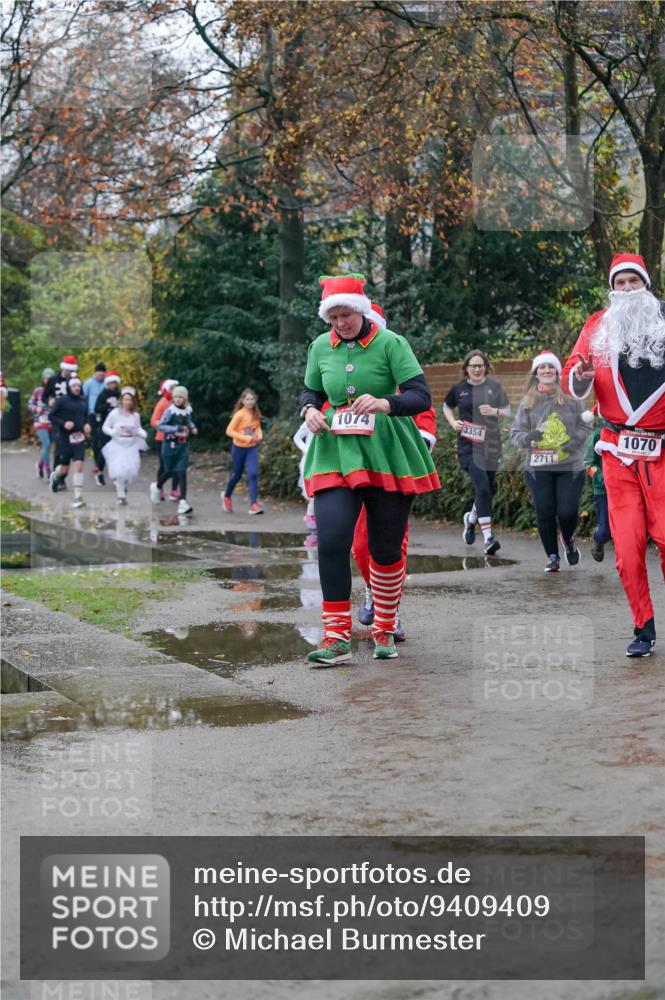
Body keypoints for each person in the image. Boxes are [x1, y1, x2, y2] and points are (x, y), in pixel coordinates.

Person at [299, 273, 440, 665]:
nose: (341, 323)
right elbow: (310, 390)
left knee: (385, 548)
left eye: (346, 315)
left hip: (386, 451)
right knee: (331, 540)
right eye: (334, 317)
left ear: (360, 311)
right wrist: (309, 409)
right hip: (335, 452)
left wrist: (384, 403)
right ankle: (336, 637)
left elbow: (420, 395)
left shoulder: (391, 343)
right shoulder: (318, 348)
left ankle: (384, 626)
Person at [561, 252, 665, 657]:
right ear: (611, 289)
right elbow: (575, 377)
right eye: (619, 284)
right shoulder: (596, 328)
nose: (626, 290)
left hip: (661, 451)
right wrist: (581, 377)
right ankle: (643, 628)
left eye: (633, 282)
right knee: (626, 549)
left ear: (646, 285)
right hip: (616, 453)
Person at [511, 351, 591, 572]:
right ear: (536, 373)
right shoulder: (528, 401)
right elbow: (515, 433)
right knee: (545, 511)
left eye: (551, 367)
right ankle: (552, 557)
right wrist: (529, 437)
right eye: (542, 367)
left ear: (557, 372)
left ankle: (568, 540)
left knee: (567, 512)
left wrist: (574, 442)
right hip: (538, 468)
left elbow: (585, 424)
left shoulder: (571, 397)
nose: (546, 371)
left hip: (569, 466)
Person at [442, 350, 511, 555]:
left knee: (486, 490)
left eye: (481, 365)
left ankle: (470, 520)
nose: (477, 369)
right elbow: (446, 406)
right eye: (473, 366)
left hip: (491, 445)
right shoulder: (459, 389)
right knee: (481, 487)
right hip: (468, 447)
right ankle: (489, 538)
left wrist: (495, 411)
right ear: (466, 369)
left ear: (486, 367)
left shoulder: (494, 387)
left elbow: (507, 410)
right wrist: (453, 422)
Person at [150, 385, 197, 515]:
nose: (178, 399)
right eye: (176, 396)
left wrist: (192, 428)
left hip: (183, 445)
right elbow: (160, 426)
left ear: (185, 398)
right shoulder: (169, 411)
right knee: (169, 471)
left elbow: (188, 421)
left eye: (181, 397)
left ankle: (183, 502)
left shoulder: (187, 410)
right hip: (169, 445)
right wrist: (175, 429)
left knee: (181, 472)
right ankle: (157, 486)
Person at [48, 376, 91, 507]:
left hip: (79, 439)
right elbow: (51, 416)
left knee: (78, 466)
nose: (77, 388)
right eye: (74, 386)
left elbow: (85, 416)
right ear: (69, 387)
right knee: (64, 469)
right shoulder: (62, 401)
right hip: (65, 438)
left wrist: (87, 424)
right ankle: (55, 476)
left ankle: (78, 497)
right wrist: (64, 423)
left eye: (78, 386)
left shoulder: (83, 401)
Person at [101, 387, 148, 504]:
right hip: (117, 446)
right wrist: (111, 432)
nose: (128, 402)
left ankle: (122, 486)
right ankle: (121, 496)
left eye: (130, 400)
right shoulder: (114, 414)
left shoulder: (135, 415)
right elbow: (105, 427)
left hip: (131, 446)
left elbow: (137, 428)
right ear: (121, 400)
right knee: (119, 471)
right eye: (126, 399)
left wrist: (142, 432)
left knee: (129, 471)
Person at [222, 388, 264, 515]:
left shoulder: (255, 413)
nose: (250, 402)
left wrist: (259, 436)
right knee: (237, 474)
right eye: (247, 399)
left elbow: (257, 428)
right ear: (243, 400)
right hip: (239, 448)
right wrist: (246, 438)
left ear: (255, 400)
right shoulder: (239, 414)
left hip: (251, 449)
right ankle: (227, 496)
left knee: (253, 474)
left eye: (252, 399)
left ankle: (254, 504)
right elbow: (229, 431)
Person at [44, 356, 78, 489]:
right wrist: (48, 401)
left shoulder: (74, 381)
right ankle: (56, 477)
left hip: (71, 418)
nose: (67, 373)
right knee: (59, 448)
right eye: (66, 370)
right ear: (62, 368)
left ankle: (62, 477)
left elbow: (79, 395)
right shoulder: (53, 380)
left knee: (69, 449)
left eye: (70, 371)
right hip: (57, 418)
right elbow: (44, 395)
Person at [582, 410, 612, 562]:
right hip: (603, 491)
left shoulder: (627, 433)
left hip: (625, 489)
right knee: (606, 531)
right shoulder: (597, 435)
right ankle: (598, 537)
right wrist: (602, 478)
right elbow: (588, 464)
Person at [150, 379, 180, 501]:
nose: (174, 391)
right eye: (172, 388)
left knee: (178, 465)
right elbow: (154, 421)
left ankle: (174, 490)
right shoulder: (162, 403)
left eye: (176, 388)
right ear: (167, 390)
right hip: (162, 439)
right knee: (164, 466)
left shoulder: (180, 402)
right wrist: (166, 426)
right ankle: (159, 488)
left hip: (178, 438)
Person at [93, 370, 122, 486]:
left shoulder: (120, 395)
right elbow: (96, 409)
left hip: (118, 427)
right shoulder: (103, 395)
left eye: (115, 383)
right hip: (105, 426)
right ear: (107, 384)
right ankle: (99, 472)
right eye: (111, 383)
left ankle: (116, 476)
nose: (113, 385)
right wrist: (107, 405)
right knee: (105, 451)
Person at [28, 368, 55, 478]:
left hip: (52, 422)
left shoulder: (56, 392)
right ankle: (48, 470)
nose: (47, 381)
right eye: (45, 378)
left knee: (47, 447)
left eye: (50, 379)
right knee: (46, 444)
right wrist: (36, 409)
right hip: (40, 421)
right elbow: (30, 404)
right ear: (43, 379)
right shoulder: (38, 391)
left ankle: (40, 464)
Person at [83, 362, 107, 481]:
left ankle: (101, 462)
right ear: (95, 373)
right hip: (92, 414)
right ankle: (97, 464)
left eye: (103, 375)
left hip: (103, 415)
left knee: (103, 439)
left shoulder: (106, 384)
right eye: (99, 374)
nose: (101, 377)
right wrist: (84, 417)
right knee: (94, 439)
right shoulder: (88, 383)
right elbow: (83, 398)